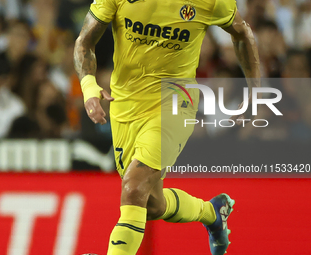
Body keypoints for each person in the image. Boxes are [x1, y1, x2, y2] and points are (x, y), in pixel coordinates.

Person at [74, 0, 260, 254]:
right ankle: (212, 212)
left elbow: (241, 34)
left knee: (133, 188)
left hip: (175, 102)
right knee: (151, 205)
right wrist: (88, 87)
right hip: (125, 105)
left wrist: (257, 89)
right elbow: (84, 42)